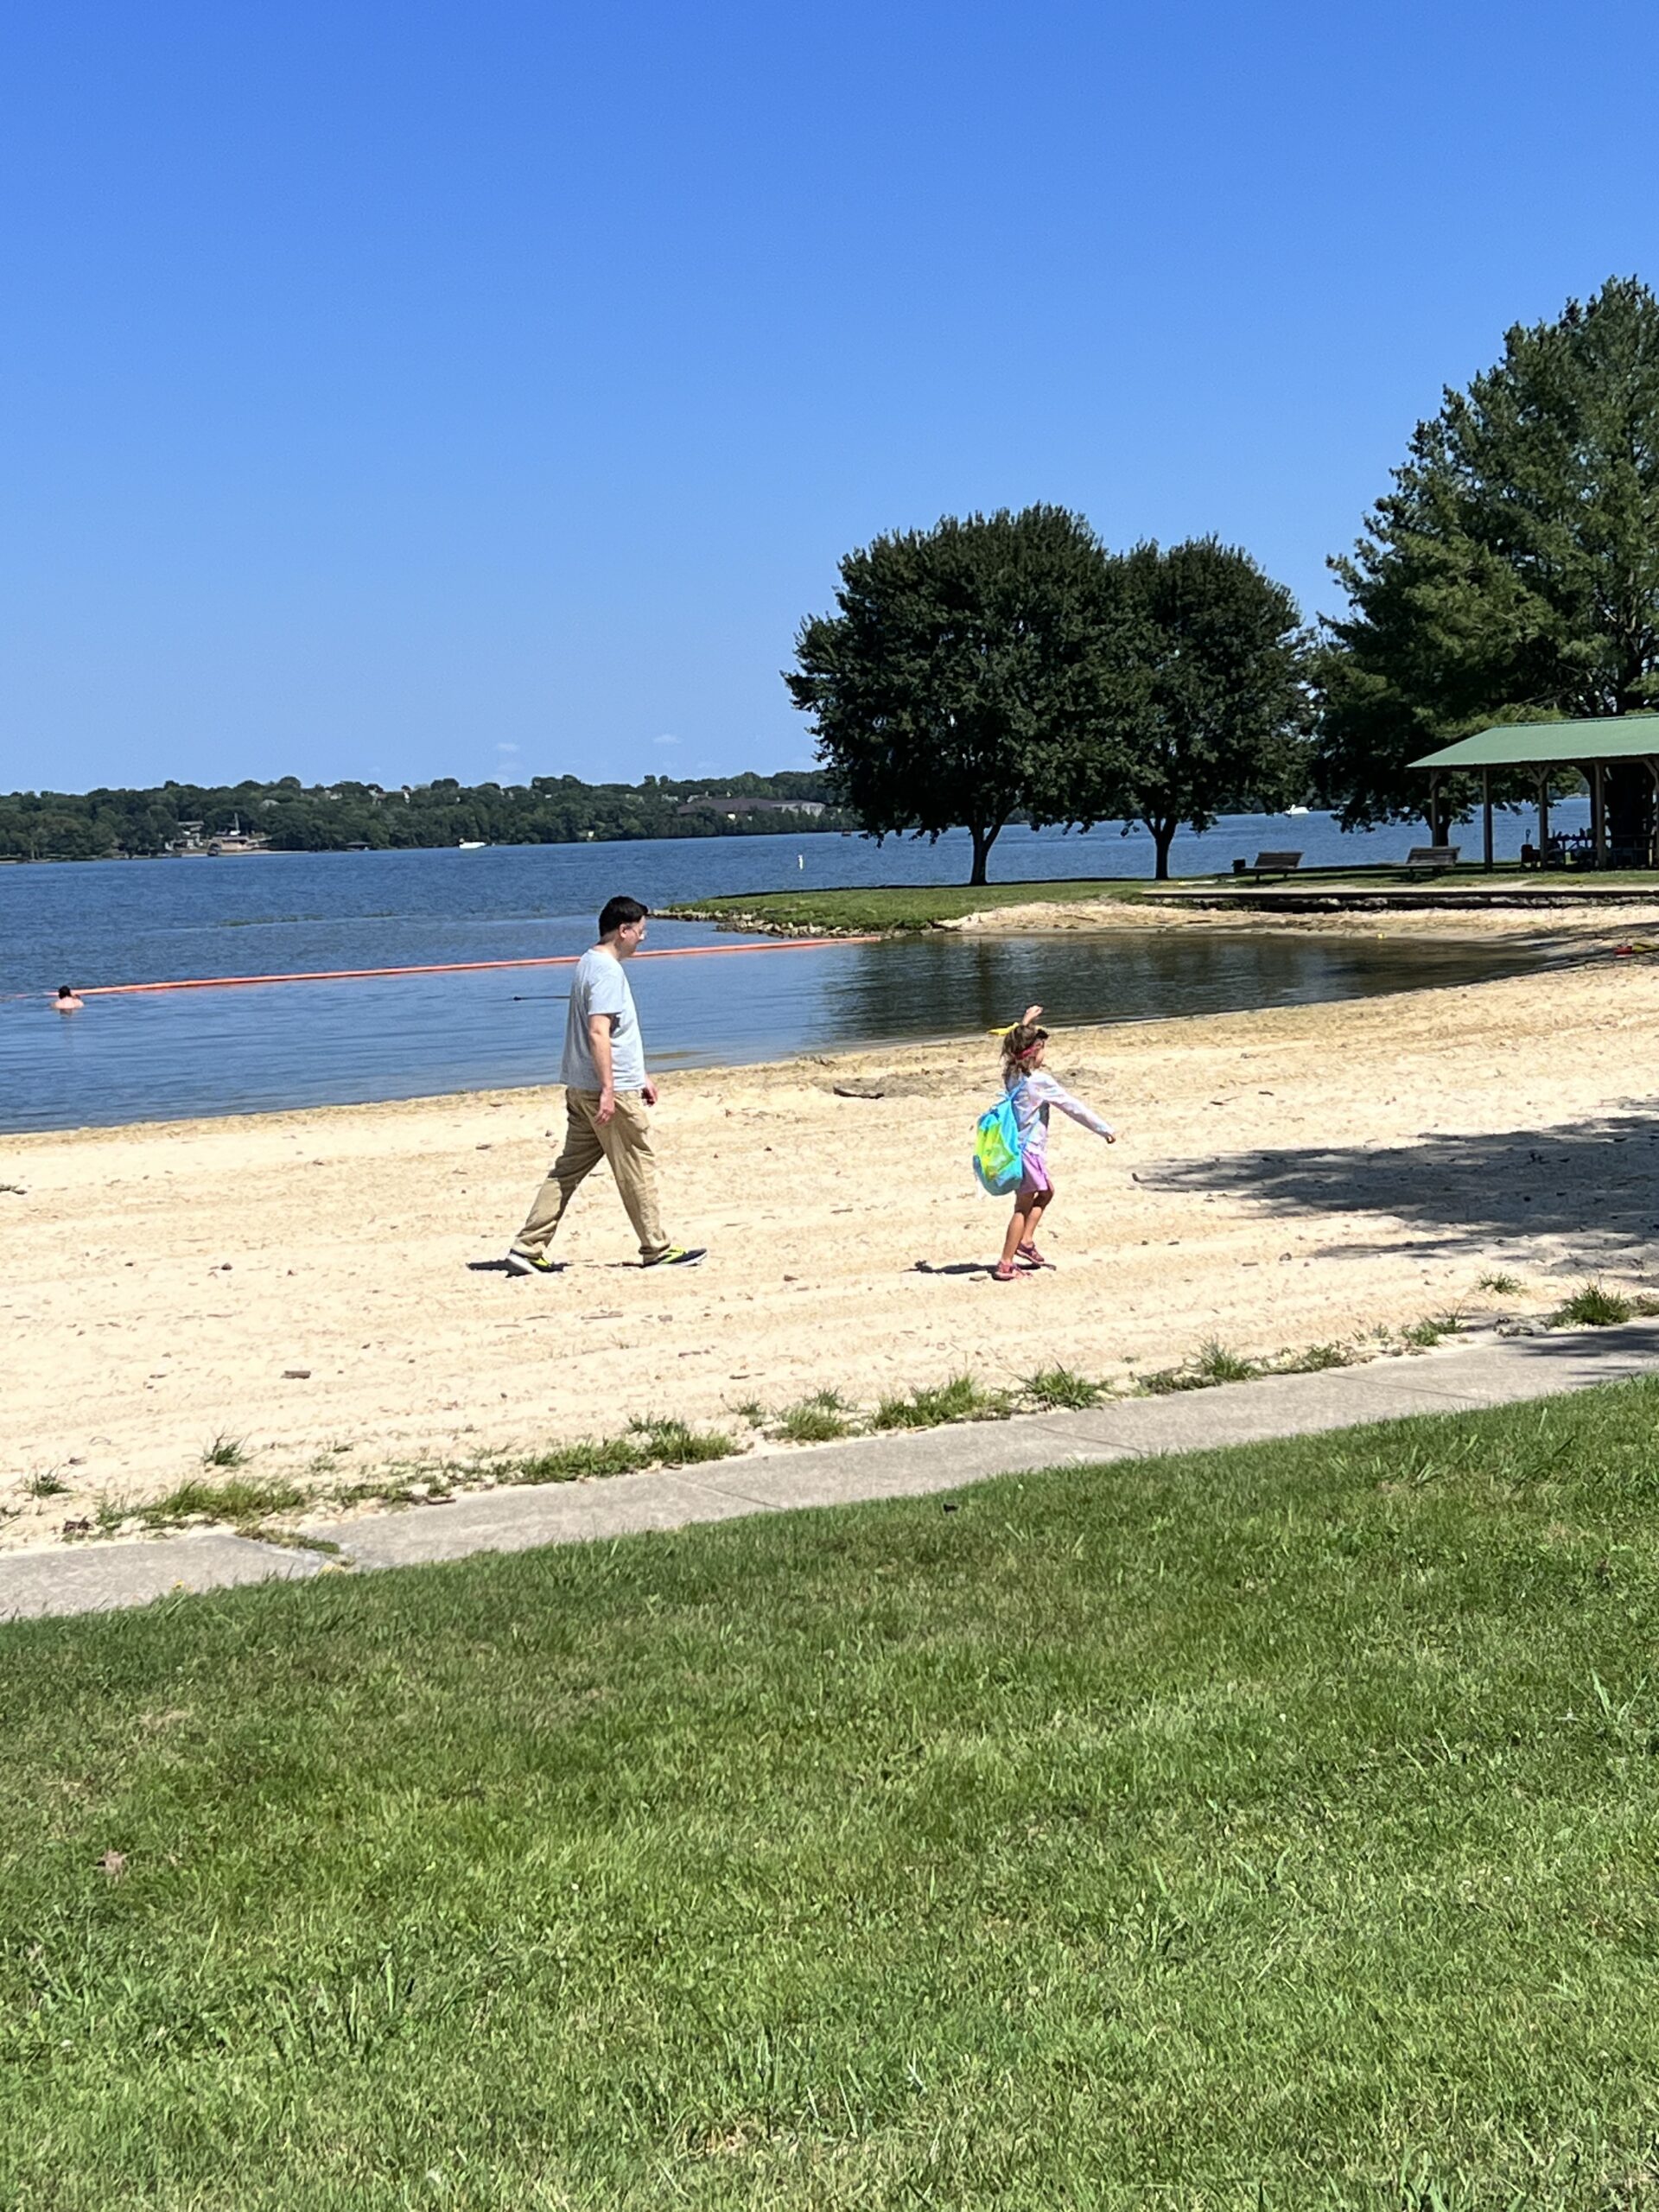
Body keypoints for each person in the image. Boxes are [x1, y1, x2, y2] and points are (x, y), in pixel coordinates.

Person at [506, 896, 704, 1274]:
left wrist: (639, 1073)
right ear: (622, 930)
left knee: (567, 1171)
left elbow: (614, 1036)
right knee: (636, 1167)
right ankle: (656, 1248)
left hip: (582, 1088)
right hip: (604, 1093)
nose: (643, 939)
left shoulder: (588, 962)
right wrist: (611, 1089)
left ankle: (527, 1248)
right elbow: (598, 1032)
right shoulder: (607, 971)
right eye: (640, 932)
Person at [993, 1002, 1115, 1283]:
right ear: (1034, 1052)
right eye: (1041, 1047)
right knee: (1022, 1208)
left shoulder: (1012, 1074)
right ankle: (1006, 1263)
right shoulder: (1039, 1082)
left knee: (1046, 1192)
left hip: (1018, 1150)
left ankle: (1025, 1242)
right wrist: (1103, 1129)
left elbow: (1014, 1045)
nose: (1045, 1052)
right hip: (1028, 1153)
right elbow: (1072, 1107)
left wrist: (1026, 1022)